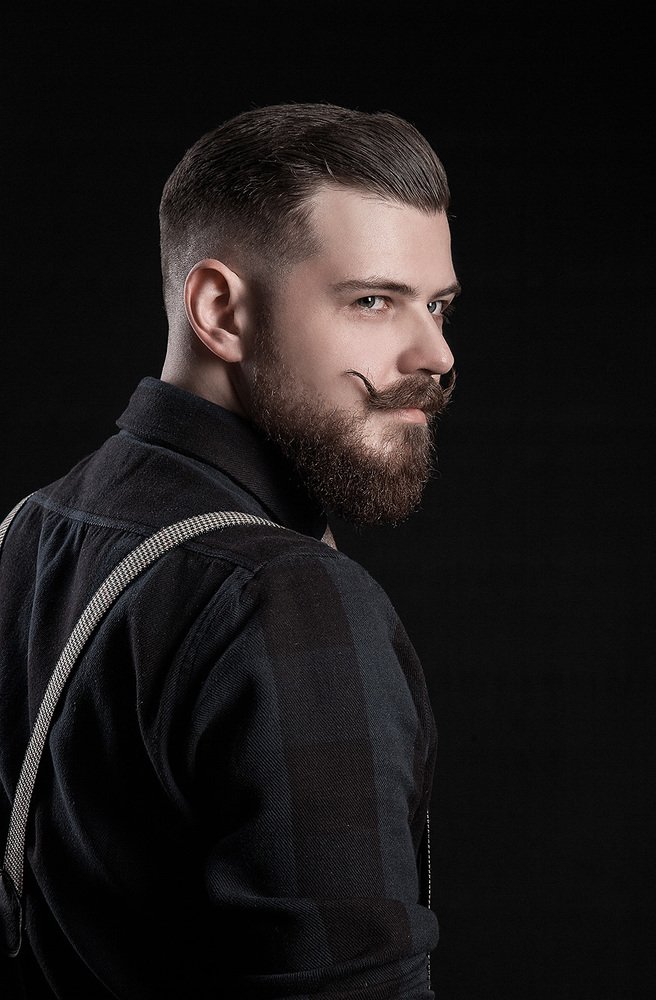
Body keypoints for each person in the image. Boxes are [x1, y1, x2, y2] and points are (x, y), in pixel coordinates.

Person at [0, 103, 460, 998]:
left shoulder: (30, 529)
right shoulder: (283, 599)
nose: (436, 353)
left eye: (438, 305)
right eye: (373, 301)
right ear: (220, 310)